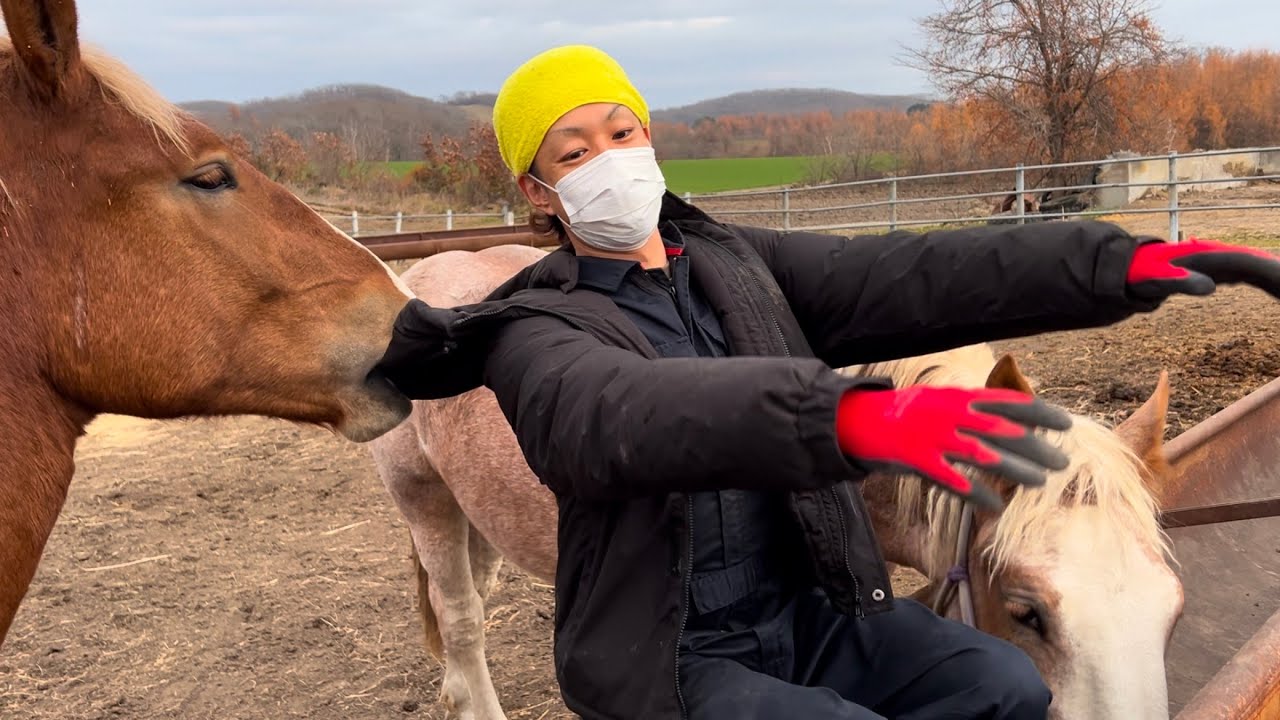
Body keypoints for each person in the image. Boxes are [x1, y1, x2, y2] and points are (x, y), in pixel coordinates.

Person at [373, 45, 1280, 720]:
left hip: (809, 609)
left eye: (622, 131)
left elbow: (915, 275)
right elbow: (620, 417)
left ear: (650, 138)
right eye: (573, 154)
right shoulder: (535, 327)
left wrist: (1116, 264)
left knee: (1004, 685)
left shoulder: (735, 263)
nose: (610, 160)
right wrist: (844, 420)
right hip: (674, 650)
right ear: (538, 191)